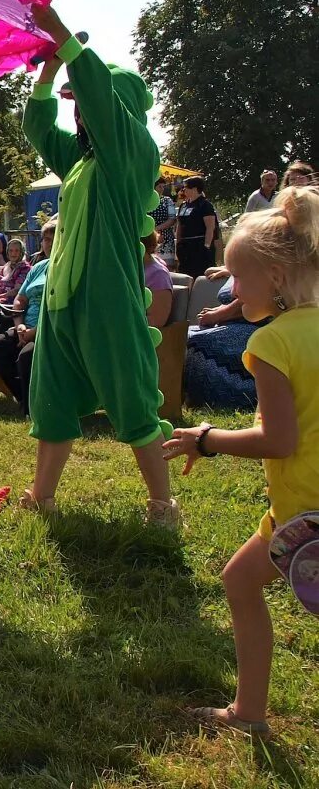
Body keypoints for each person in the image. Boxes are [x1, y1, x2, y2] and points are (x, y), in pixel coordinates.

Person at [163, 186, 319, 737]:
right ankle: (248, 714)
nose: (231, 288)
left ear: (274, 277)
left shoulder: (271, 344)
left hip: (304, 514)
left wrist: (209, 439)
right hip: (297, 511)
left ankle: (249, 714)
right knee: (239, 579)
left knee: (239, 584)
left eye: (237, 277)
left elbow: (278, 440)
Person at [17, 4, 178, 527]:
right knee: (53, 396)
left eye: (86, 105)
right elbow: (40, 130)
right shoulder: (83, 159)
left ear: (117, 110)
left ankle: (162, 503)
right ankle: (42, 494)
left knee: (131, 394)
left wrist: (62, 35)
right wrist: (46, 72)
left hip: (108, 299)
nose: (79, 114)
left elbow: (103, 107)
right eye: (78, 108)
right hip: (64, 297)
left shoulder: (130, 154)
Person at [0, 251, 51, 414]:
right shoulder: (39, 267)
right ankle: (23, 397)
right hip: (25, 327)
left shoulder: (68, 269)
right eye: (46, 239)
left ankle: (31, 407)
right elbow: (20, 299)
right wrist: (20, 326)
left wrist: (34, 332)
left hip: (51, 330)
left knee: (25, 357)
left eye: (54, 238)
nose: (50, 243)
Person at [186, 280, 272, 410]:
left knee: (198, 342)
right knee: (184, 335)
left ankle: (231, 400)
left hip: (260, 327)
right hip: (236, 323)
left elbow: (256, 297)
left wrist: (218, 315)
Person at [175, 175, 219, 276]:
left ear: (194, 188)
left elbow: (210, 227)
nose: (183, 189)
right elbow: (179, 225)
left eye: (186, 187)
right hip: (184, 247)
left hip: (199, 246)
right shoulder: (184, 205)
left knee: (199, 274)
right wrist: (178, 243)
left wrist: (206, 246)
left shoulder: (205, 205)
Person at [151, 177, 178, 265]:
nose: (162, 189)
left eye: (163, 187)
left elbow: (172, 219)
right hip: (150, 240)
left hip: (166, 240)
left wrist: (155, 229)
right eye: (159, 187)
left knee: (167, 267)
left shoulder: (167, 200)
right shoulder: (145, 200)